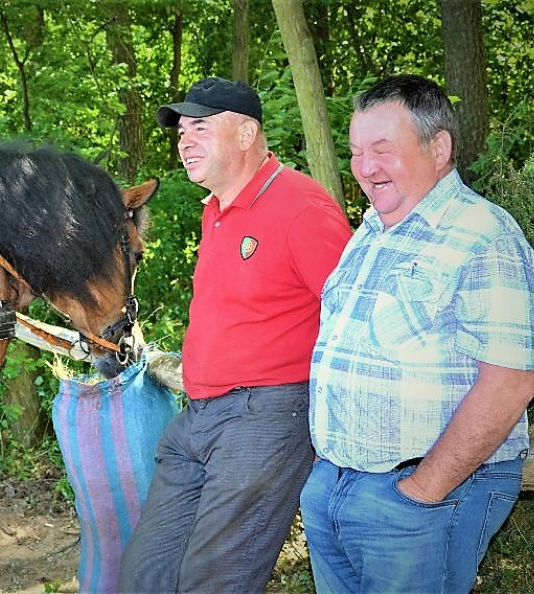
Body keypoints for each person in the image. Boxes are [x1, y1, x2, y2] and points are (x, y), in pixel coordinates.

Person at [302, 74, 534, 593]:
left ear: (439, 148)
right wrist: (326, 476)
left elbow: (509, 384)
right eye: (354, 152)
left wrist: (421, 490)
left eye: (382, 150)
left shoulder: (486, 236)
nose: (365, 168)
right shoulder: (370, 232)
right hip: (336, 485)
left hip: (421, 497)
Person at [118, 77, 352, 593]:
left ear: (247, 135)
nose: (184, 140)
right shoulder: (216, 212)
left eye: (201, 126)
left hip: (265, 418)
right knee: (143, 575)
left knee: (214, 582)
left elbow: (354, 323)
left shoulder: (302, 208)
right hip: (198, 417)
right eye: (180, 131)